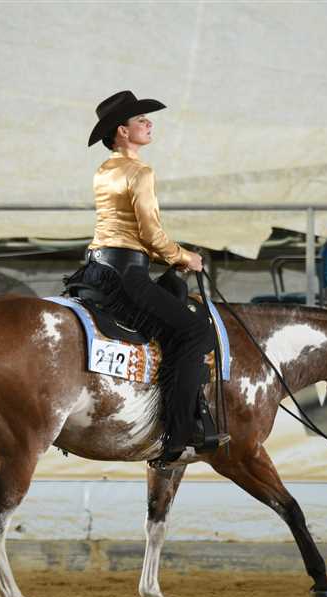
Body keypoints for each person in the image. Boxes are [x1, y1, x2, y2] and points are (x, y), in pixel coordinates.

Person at [75, 89, 222, 468]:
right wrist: (185, 257)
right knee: (195, 332)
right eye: (140, 120)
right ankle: (177, 437)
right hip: (127, 276)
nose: (148, 123)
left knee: (173, 293)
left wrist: (166, 257)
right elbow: (150, 234)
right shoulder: (141, 172)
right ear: (122, 131)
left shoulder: (105, 170)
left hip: (98, 269)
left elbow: (126, 232)